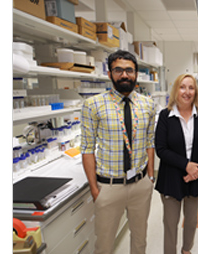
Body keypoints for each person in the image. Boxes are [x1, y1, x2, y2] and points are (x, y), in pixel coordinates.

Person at [81, 50, 156, 254]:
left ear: (136, 73)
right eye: (119, 70)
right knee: (104, 245)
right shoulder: (93, 105)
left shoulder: (148, 104)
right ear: (110, 74)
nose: (124, 75)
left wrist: (150, 177)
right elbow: (87, 149)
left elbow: (150, 142)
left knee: (140, 241)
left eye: (129, 70)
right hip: (108, 186)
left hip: (140, 185)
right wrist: (95, 190)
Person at [154, 74, 198, 254]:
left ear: (195, 91)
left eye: (191, 87)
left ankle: (186, 250)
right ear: (176, 90)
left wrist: (197, 169)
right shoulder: (166, 115)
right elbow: (161, 149)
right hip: (171, 177)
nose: (186, 92)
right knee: (171, 223)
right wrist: (186, 165)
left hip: (196, 176)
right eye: (182, 87)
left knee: (191, 221)